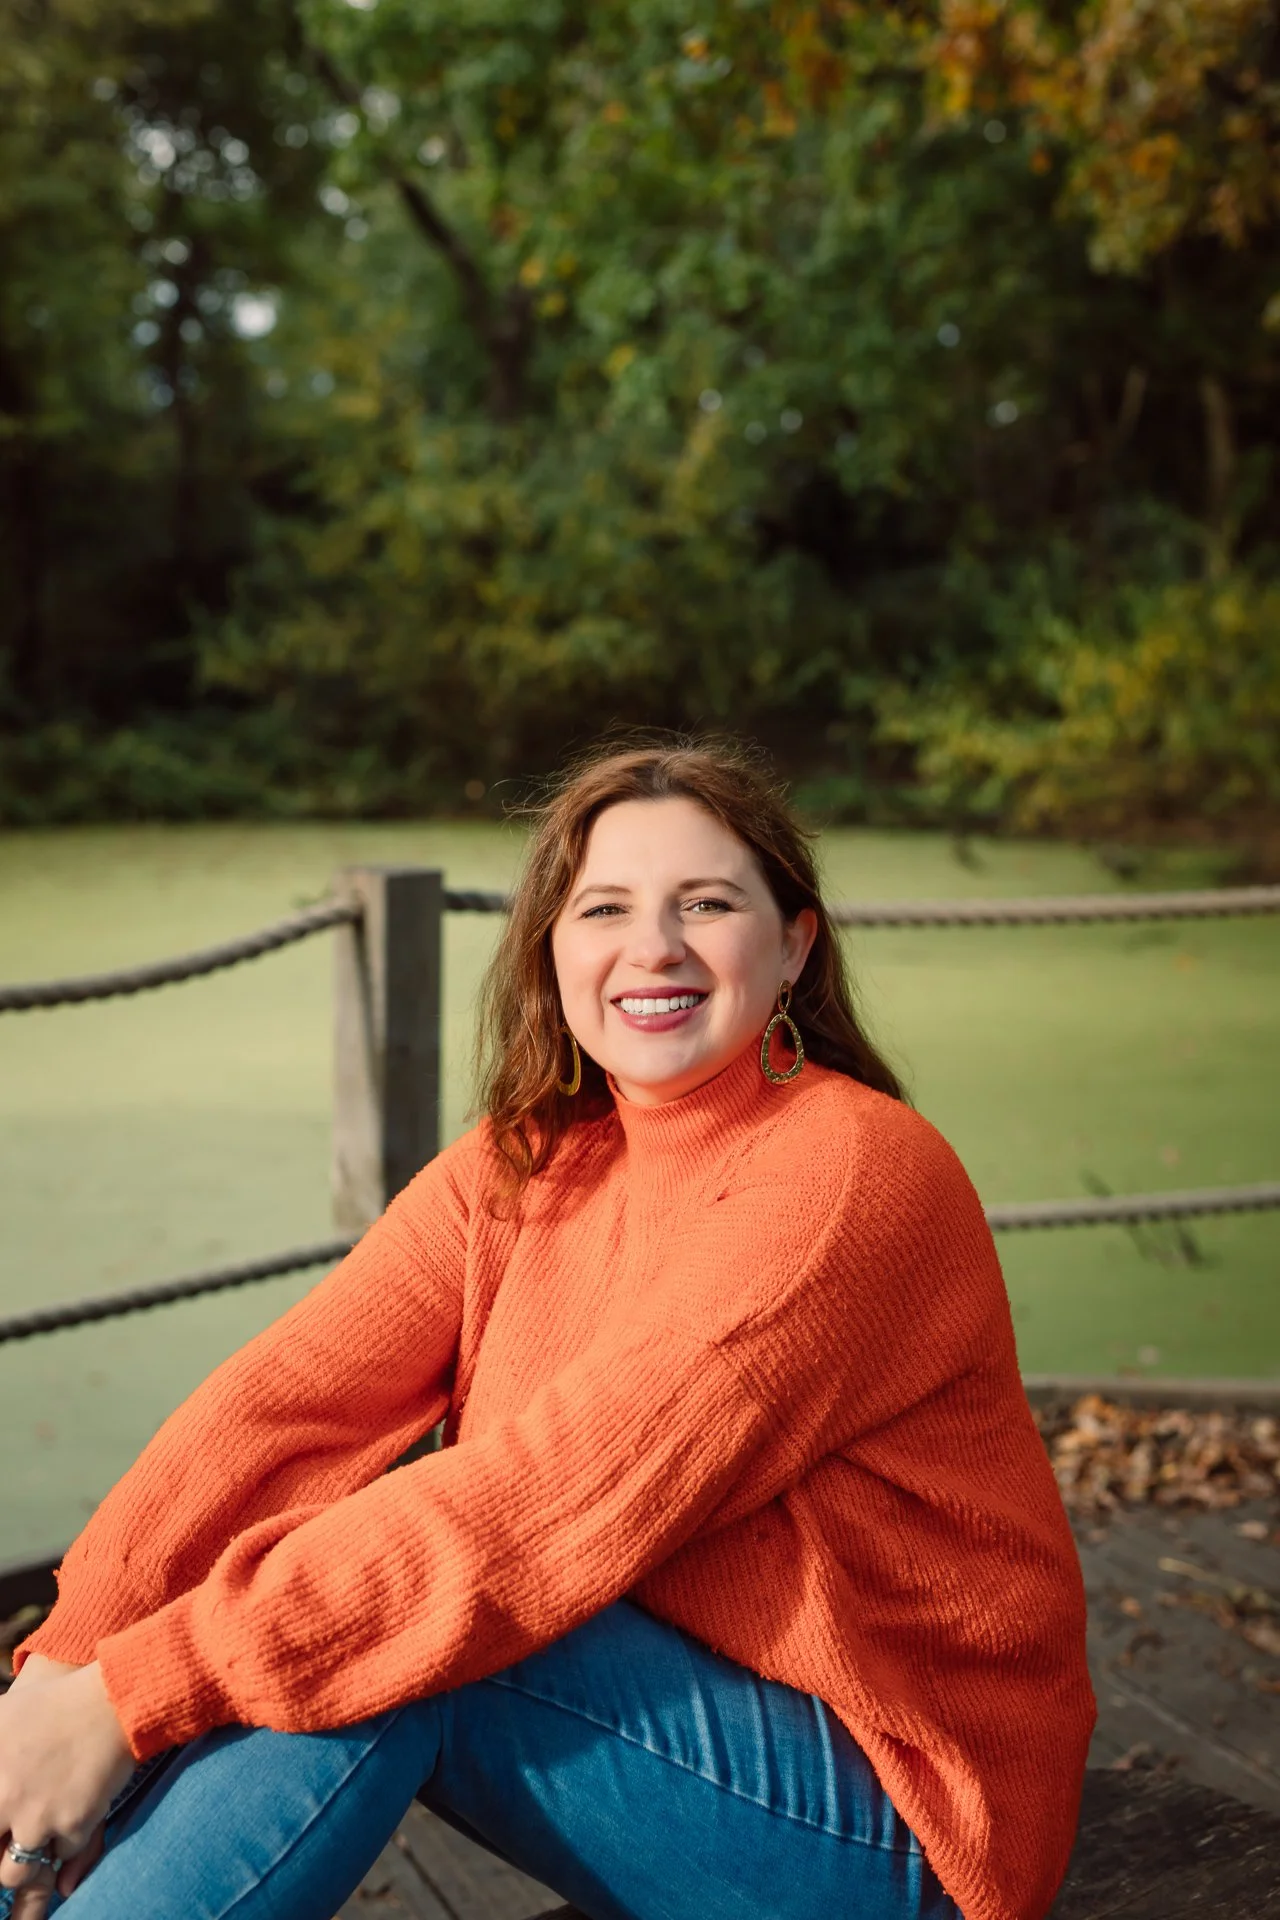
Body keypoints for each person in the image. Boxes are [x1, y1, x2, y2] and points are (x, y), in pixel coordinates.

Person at [1, 738, 1094, 1920]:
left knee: (393, 1640)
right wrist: (64, 1674)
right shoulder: (530, 1160)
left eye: (706, 904)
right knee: (304, 1605)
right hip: (671, 1705)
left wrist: (129, 1699)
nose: (653, 946)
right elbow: (283, 1404)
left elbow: (536, 1505)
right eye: (604, 908)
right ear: (551, 951)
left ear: (791, 946)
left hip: (904, 1811)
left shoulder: (848, 1175)